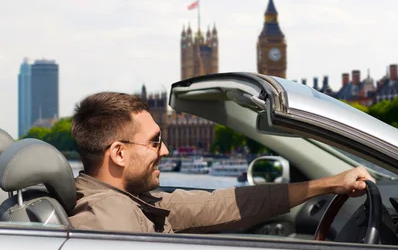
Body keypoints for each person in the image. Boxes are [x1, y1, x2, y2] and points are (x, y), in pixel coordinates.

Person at [69, 92, 374, 234]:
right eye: (154, 141)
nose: (165, 151)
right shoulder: (105, 218)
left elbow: (222, 204)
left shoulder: (135, 201)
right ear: (119, 154)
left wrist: (330, 184)